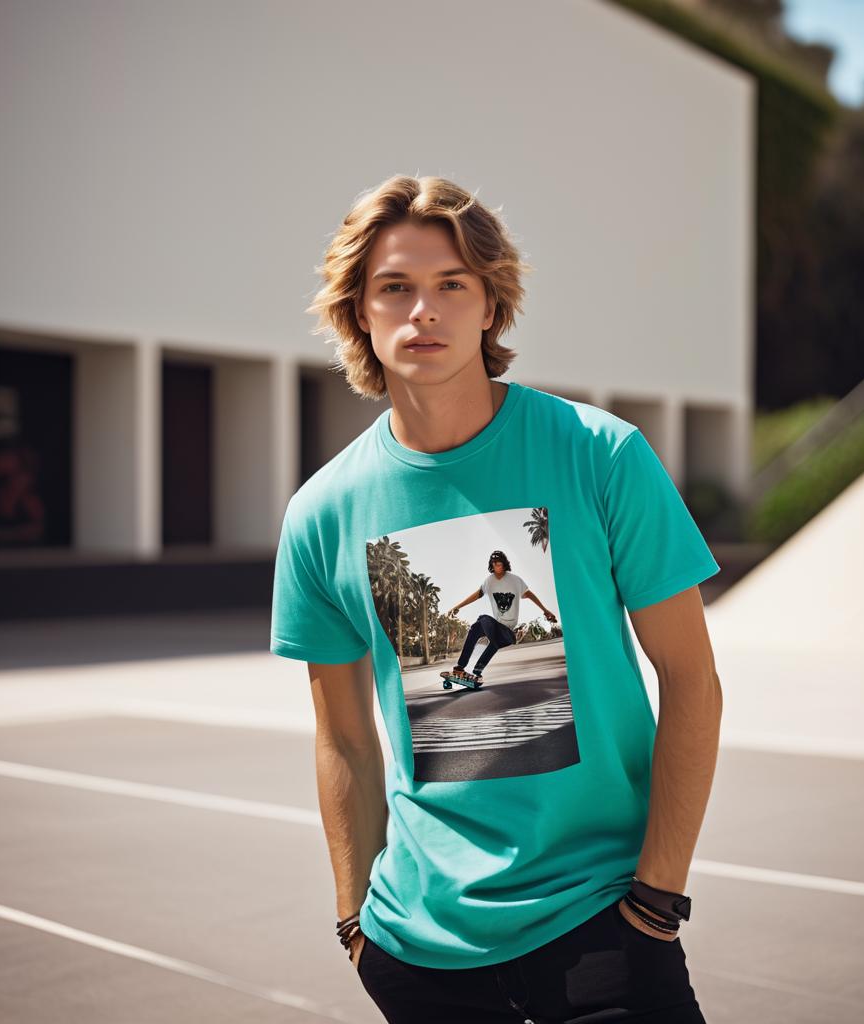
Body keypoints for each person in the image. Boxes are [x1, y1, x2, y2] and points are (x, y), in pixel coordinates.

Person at [270, 175, 724, 1023]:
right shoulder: (323, 512)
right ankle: (466, 675)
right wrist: (353, 922)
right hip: (417, 950)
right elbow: (341, 736)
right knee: (474, 644)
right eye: (395, 288)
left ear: (490, 306)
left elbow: (693, 680)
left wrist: (658, 900)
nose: (423, 311)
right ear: (358, 314)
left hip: (603, 925)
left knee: (488, 638)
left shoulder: (601, 455)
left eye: (451, 285)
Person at [445, 549, 558, 683]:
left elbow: (529, 594)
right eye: (494, 564)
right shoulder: (489, 581)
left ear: (504, 564)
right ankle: (463, 668)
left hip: (507, 631)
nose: (496, 567)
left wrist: (545, 610)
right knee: (475, 628)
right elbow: (477, 594)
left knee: (486, 623)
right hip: (495, 627)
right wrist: (457, 606)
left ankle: (477, 669)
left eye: (499, 564)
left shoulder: (515, 580)